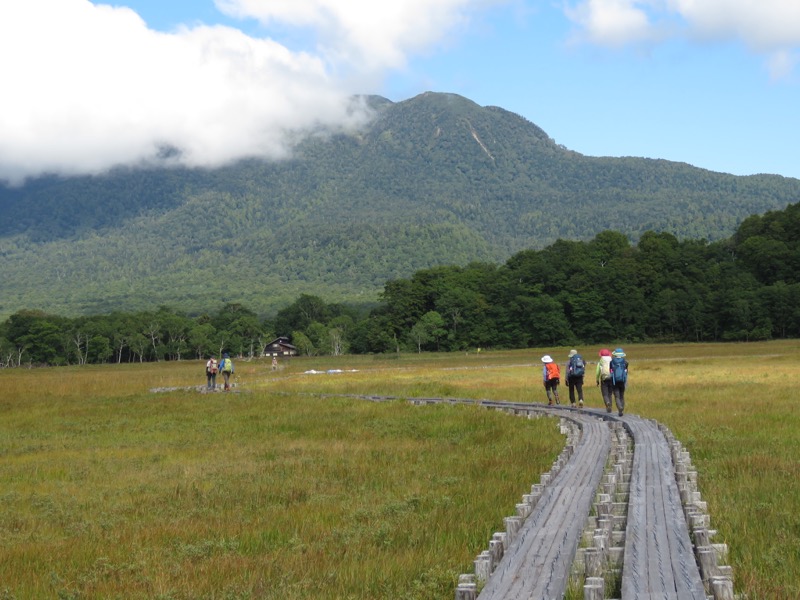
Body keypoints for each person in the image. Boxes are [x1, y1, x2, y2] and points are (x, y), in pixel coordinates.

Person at [610, 347, 629, 416]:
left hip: (614, 381)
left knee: (617, 396)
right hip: (622, 381)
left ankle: (619, 408)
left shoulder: (611, 362)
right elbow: (626, 372)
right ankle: (622, 409)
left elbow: (611, 371)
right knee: (622, 396)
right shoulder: (625, 362)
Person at [596, 348, 613, 413]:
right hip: (611, 378)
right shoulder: (611, 360)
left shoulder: (601, 361)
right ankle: (610, 406)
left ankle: (607, 403)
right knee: (610, 393)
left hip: (604, 379)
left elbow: (598, 371)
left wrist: (597, 379)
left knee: (605, 394)